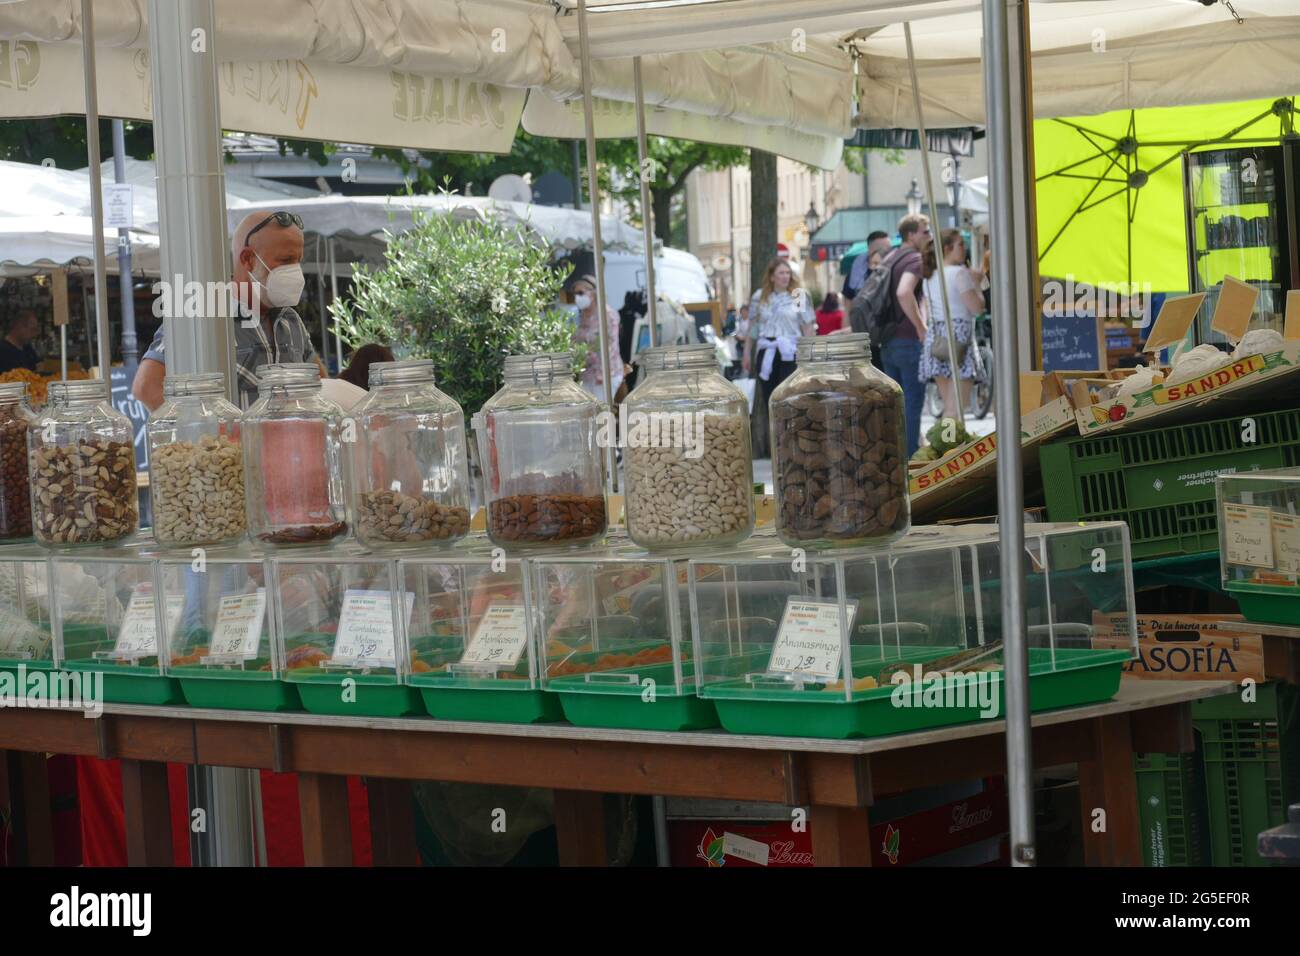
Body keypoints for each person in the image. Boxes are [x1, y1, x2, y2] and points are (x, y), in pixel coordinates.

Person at [132, 211, 325, 411]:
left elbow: (322, 385)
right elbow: (147, 387)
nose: (295, 271)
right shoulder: (202, 314)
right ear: (248, 258)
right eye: (286, 260)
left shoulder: (290, 320)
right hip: (234, 443)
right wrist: (213, 432)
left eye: (298, 261)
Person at [879, 213, 931, 457]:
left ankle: (895, 455)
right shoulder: (914, 259)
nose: (929, 236)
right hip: (908, 340)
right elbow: (903, 292)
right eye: (925, 231)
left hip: (887, 340)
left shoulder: (889, 257)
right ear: (911, 235)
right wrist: (921, 326)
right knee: (912, 402)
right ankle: (910, 460)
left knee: (896, 404)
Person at [920, 229, 985, 421]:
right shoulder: (960, 274)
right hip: (959, 338)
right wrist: (978, 284)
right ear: (948, 248)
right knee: (956, 408)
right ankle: (953, 445)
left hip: (937, 338)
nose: (964, 248)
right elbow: (977, 308)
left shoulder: (929, 276)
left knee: (949, 405)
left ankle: (947, 443)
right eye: (960, 244)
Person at [743, 258, 815, 405]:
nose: (785, 276)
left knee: (789, 396)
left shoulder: (798, 295)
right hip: (767, 349)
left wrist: (810, 352)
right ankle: (772, 427)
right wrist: (746, 353)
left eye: (788, 273)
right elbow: (753, 327)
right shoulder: (759, 296)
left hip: (790, 350)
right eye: (781, 273)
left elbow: (807, 327)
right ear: (772, 277)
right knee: (769, 398)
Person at [570, 275, 628, 403]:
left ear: (593, 293)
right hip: (585, 375)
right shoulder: (577, 317)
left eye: (580, 293)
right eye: (575, 294)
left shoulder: (607, 315)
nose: (577, 297)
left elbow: (610, 346)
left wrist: (602, 371)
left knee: (602, 413)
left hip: (606, 375)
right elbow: (572, 342)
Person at [842, 230, 893, 301]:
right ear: (871, 250)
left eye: (890, 249)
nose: (890, 252)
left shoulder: (894, 268)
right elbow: (848, 300)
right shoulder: (855, 274)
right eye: (886, 249)